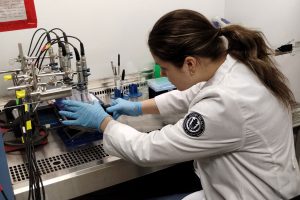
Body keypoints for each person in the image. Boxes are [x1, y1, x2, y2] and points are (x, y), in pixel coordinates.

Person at [59, 9, 300, 200]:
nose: (163, 74)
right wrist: (138, 107)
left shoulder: (226, 103)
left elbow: (148, 149)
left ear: (190, 64)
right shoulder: (232, 63)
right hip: (242, 187)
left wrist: (103, 123)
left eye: (164, 68)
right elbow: (189, 94)